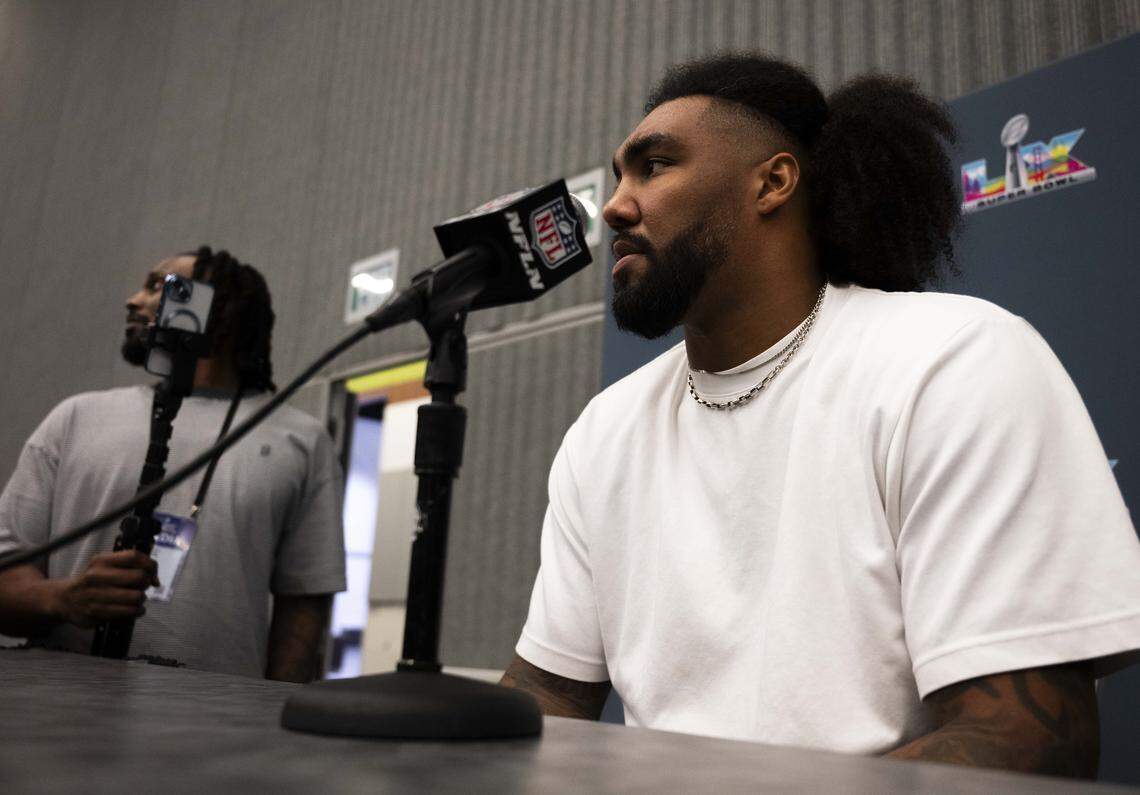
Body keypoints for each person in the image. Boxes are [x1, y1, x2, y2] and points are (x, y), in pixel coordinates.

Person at [500, 53, 1140, 777]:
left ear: (772, 182)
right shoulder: (606, 428)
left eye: (654, 166)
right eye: (620, 177)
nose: (616, 206)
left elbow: (1027, 741)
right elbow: (550, 694)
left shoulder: (952, 361)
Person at [0, 247, 346, 682]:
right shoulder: (75, 419)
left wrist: (276, 712)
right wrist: (62, 599)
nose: (133, 300)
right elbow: (6, 572)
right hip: (58, 705)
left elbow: (304, 604)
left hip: (219, 716)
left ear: (222, 310)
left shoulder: (300, 440)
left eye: (159, 287)